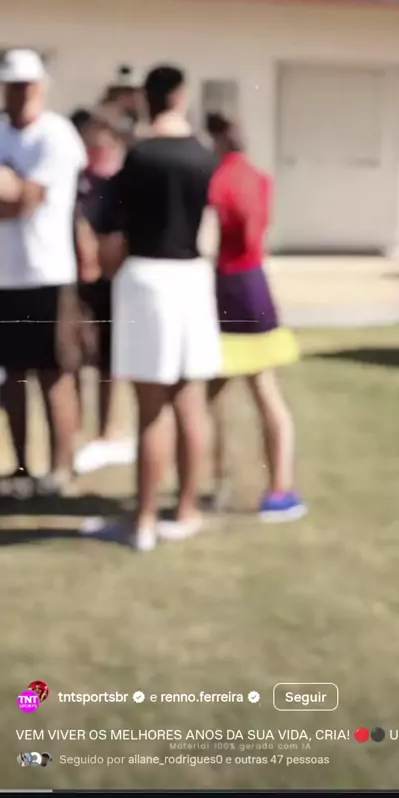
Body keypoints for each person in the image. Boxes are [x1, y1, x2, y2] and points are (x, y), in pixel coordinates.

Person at [81, 66, 221, 551]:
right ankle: (186, 510)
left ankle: (142, 521)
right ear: (181, 96)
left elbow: (109, 228)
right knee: (190, 401)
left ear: (148, 97)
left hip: (146, 276)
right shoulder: (203, 155)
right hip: (192, 276)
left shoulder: (138, 155)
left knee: (151, 408)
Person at [206, 113, 306, 521]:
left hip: (228, 285)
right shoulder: (258, 178)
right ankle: (280, 488)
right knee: (264, 391)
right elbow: (255, 231)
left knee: (207, 396)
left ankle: (217, 479)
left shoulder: (218, 180)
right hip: (254, 282)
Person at [0, 49, 86, 497]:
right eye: (13, 86)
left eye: (27, 86)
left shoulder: (56, 135)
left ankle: (61, 467)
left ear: (41, 87)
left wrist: (14, 188)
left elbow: (24, 201)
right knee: (12, 377)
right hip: (5, 276)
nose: (20, 95)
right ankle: (19, 468)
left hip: (48, 273)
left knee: (55, 374)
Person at [72, 112, 136, 472]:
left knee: (109, 362)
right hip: (80, 281)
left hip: (113, 280)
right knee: (78, 357)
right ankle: (77, 429)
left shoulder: (120, 185)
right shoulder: (80, 182)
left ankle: (107, 428)